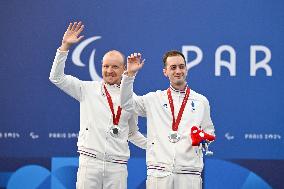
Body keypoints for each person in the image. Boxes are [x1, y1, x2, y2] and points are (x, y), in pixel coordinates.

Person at [49, 21, 146, 189]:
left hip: (117, 167)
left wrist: (155, 146)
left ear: (124, 69)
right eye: (106, 66)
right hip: (89, 163)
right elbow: (56, 78)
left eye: (115, 67)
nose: (109, 71)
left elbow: (132, 133)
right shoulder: (86, 89)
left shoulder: (130, 99)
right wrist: (64, 47)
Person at [120, 51, 216, 189]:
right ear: (165, 72)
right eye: (173, 67)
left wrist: (203, 138)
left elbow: (209, 131)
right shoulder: (154, 99)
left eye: (181, 67)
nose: (178, 71)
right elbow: (126, 103)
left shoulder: (201, 101)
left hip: (189, 174)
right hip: (159, 173)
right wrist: (129, 75)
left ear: (186, 70)